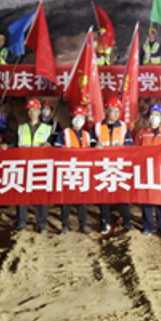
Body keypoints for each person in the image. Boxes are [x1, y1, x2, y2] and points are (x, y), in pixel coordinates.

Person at [94, 97, 134, 234]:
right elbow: (90, 146)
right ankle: (105, 222)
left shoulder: (124, 127)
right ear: (106, 111)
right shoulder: (97, 127)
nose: (116, 113)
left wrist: (123, 147)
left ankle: (127, 221)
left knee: (122, 195)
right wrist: (95, 147)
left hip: (119, 166)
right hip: (103, 166)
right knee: (103, 196)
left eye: (118, 111)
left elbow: (130, 145)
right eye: (113, 110)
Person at [53, 106, 93, 235]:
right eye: (76, 117)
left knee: (82, 199)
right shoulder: (64, 133)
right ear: (72, 118)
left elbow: (91, 153)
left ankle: (83, 224)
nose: (79, 120)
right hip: (67, 170)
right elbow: (57, 151)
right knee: (66, 199)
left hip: (82, 170)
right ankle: (65, 225)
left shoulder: (87, 135)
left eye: (81, 117)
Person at [136, 104, 161, 238]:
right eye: (152, 114)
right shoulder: (141, 133)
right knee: (146, 199)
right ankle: (148, 226)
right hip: (146, 171)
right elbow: (135, 152)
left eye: (157, 115)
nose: (154, 117)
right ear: (148, 117)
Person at [17, 98, 53, 233]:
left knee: (40, 196)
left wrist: (49, 145)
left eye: (34, 110)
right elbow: (15, 145)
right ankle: (21, 222)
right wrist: (5, 147)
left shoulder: (47, 129)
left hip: (40, 166)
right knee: (22, 195)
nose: (32, 112)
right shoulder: (21, 128)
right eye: (29, 110)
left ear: (39, 111)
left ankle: (41, 223)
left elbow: (54, 147)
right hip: (24, 165)